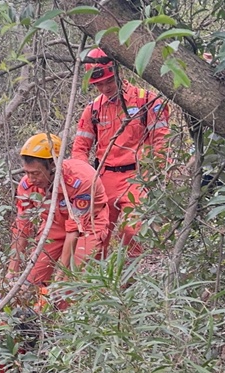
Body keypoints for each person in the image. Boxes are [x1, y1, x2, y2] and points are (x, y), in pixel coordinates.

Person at [72, 47, 170, 258]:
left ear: (119, 73)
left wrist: (154, 176)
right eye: (99, 84)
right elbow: (80, 149)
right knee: (96, 236)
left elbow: (161, 142)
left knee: (132, 230)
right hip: (104, 178)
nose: (105, 88)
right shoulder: (93, 110)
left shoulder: (147, 101)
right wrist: (86, 180)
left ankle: (130, 281)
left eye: (109, 81)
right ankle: (96, 283)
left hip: (136, 178)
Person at [6, 133, 110, 286]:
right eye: (27, 172)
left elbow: (74, 228)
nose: (31, 179)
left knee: (70, 282)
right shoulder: (27, 186)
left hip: (88, 225)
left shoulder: (82, 180)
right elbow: (22, 228)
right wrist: (11, 272)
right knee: (32, 279)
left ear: (54, 165)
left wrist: (61, 275)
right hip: (54, 225)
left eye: (35, 173)